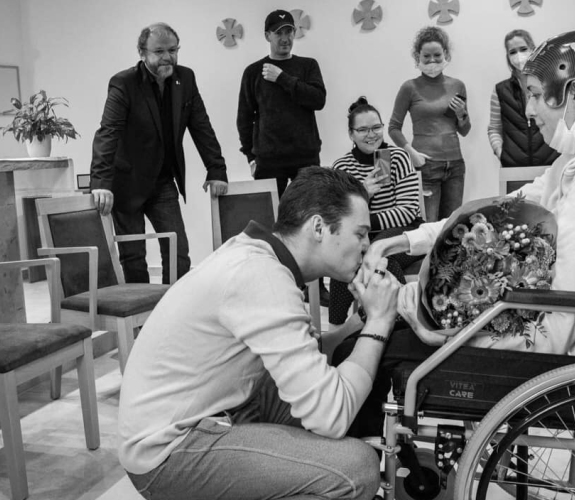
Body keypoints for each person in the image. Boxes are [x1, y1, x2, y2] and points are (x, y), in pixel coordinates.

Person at [337, 30, 575, 439]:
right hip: (541, 318)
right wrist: (402, 241)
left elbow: (563, 319)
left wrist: (440, 320)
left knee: (376, 347)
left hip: (553, 354)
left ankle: (361, 458)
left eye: (535, 95)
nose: (528, 110)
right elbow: (502, 208)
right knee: (388, 320)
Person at [118, 167, 401, 500]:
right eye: (361, 234)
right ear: (319, 228)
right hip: (167, 450)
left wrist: (357, 324)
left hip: (222, 405)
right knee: (356, 469)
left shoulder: (261, 258)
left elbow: (306, 360)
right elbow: (331, 415)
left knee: (347, 384)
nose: (367, 245)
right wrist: (379, 324)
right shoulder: (261, 277)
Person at [90, 22, 228, 284]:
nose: (167, 57)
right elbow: (108, 133)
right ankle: (142, 311)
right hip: (127, 183)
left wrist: (216, 169)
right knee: (133, 257)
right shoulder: (124, 83)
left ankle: (173, 305)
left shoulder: (185, 78)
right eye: (159, 51)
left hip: (162, 181)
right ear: (142, 53)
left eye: (173, 50)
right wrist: (100, 183)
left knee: (178, 252)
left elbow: (201, 126)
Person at [237, 9, 329, 305]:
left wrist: (282, 78)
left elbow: (318, 100)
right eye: (279, 32)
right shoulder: (254, 72)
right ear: (268, 36)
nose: (285, 37)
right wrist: (250, 155)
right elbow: (244, 117)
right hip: (269, 159)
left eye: (289, 31)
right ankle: (274, 287)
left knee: (312, 222)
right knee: (270, 226)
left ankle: (315, 287)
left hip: (305, 156)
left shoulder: (306, 66)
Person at [329, 96, 423, 326]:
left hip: (404, 234)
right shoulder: (342, 167)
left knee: (377, 251)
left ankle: (394, 321)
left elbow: (407, 212)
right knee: (351, 259)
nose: (371, 135)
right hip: (364, 239)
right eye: (362, 130)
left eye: (376, 128)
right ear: (351, 134)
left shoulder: (398, 157)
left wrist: (363, 223)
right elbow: (340, 217)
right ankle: (340, 327)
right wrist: (363, 194)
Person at [389, 26, 471, 222]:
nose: (432, 61)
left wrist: (461, 114)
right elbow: (393, 128)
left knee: (452, 227)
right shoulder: (409, 87)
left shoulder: (457, 85)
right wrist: (411, 153)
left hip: (455, 165)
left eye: (437, 55)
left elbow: (465, 130)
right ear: (417, 56)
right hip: (426, 165)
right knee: (428, 226)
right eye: (426, 56)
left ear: (446, 54)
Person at [488, 29, 559, 168]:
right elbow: (494, 129)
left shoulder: (550, 85)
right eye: (512, 52)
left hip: (551, 166)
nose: (518, 55)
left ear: (533, 49)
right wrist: (501, 153)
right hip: (513, 169)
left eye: (523, 49)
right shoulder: (500, 90)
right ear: (508, 56)